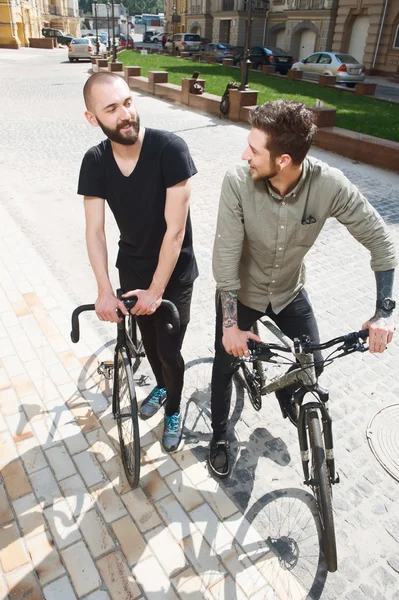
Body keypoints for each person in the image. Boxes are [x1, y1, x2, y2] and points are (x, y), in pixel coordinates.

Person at [208, 99, 397, 478]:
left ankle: (286, 394)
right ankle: (218, 436)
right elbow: (225, 263)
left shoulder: (328, 185)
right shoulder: (237, 182)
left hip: (288, 291)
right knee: (225, 364)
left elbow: (382, 242)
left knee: (314, 365)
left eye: (255, 149)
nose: (245, 154)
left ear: (283, 160)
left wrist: (383, 313)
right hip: (241, 294)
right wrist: (230, 327)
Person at [78, 72, 198, 453]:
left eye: (128, 102)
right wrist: (103, 291)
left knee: (168, 347)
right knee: (146, 340)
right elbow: (95, 232)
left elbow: (175, 232)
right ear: (92, 118)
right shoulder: (95, 162)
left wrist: (157, 290)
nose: (126, 114)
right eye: (112, 109)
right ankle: (161, 387)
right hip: (132, 266)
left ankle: (174, 409)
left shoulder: (170, 150)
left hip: (173, 272)